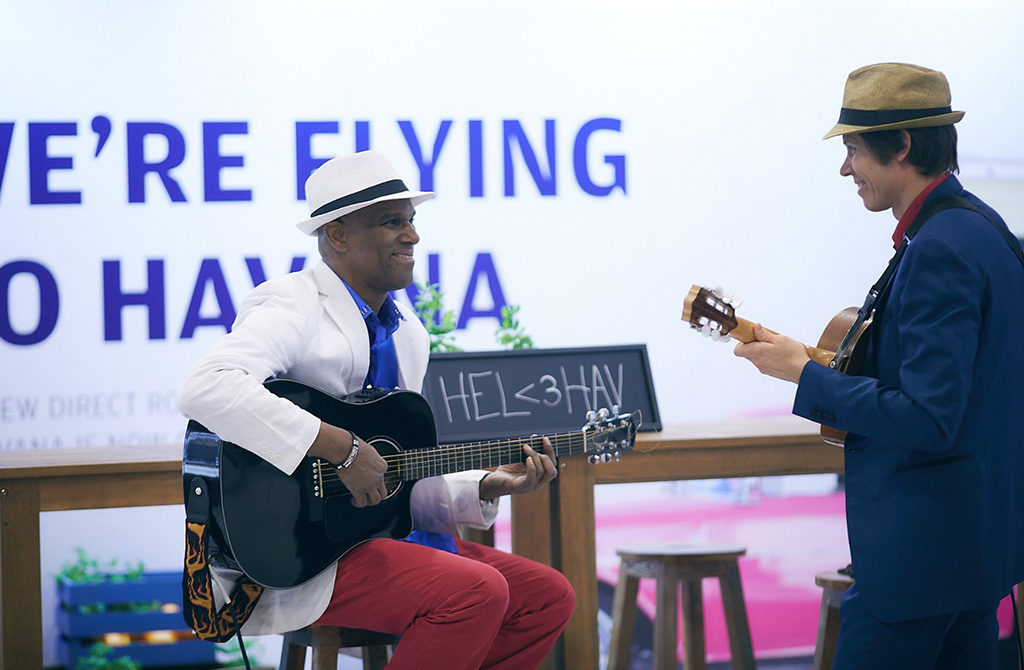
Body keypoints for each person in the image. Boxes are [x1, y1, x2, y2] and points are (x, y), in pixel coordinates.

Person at [176, 150, 575, 669]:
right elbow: (206, 387)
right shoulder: (292, 304)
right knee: (474, 591)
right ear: (338, 235)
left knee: (546, 596)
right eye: (392, 222)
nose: (412, 235)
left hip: (372, 537)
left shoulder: (408, 334)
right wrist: (341, 448)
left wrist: (486, 486)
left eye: (412, 221)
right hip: (303, 553)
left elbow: (397, 481)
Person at [733, 63, 1024, 667]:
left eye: (854, 149)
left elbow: (929, 415)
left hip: (918, 565)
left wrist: (805, 375)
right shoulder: (985, 231)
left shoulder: (939, 250)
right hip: (971, 552)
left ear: (904, 146)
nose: (845, 169)